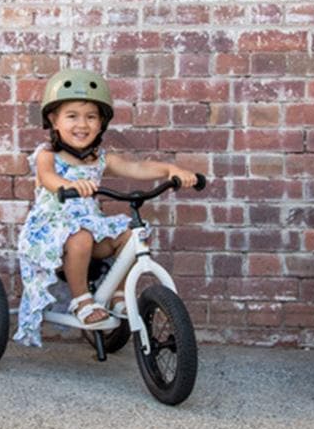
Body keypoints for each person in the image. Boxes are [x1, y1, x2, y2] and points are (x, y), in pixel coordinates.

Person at [13, 68, 197, 347]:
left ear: (101, 123)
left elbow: (137, 167)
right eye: (72, 116)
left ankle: (118, 295)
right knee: (81, 236)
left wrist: (172, 170)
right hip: (52, 232)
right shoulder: (46, 155)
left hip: (89, 227)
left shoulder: (99, 159)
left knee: (130, 235)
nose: (82, 124)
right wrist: (66, 185)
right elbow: (48, 178)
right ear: (54, 120)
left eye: (91, 117)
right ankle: (81, 300)